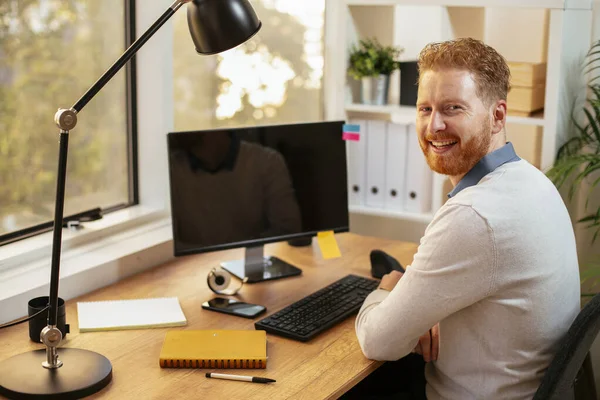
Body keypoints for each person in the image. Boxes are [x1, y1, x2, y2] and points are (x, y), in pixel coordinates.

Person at [351, 37, 580, 399]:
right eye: (425, 109)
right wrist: (429, 314)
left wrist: (387, 289)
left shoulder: (474, 215)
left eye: (453, 108)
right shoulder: (532, 181)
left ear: (498, 115)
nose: (434, 126)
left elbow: (378, 341)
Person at [169, 130, 302, 251]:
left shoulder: (266, 162)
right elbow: (166, 247)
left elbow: (288, 231)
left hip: (252, 265)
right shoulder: (170, 168)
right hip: (195, 270)